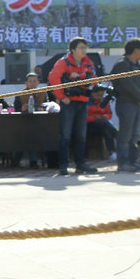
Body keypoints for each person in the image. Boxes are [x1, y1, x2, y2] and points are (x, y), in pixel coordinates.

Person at [48, 36, 98, 176]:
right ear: (73, 49)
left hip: (82, 101)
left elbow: (94, 79)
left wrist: (85, 81)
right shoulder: (63, 62)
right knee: (65, 135)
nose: (84, 51)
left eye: (85, 48)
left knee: (81, 135)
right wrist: (62, 97)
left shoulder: (88, 63)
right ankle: (63, 165)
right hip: (68, 102)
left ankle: (81, 164)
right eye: (81, 48)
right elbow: (53, 78)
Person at [110, 37, 140, 173]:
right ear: (136, 50)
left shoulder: (134, 65)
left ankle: (134, 161)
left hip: (135, 103)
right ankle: (123, 162)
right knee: (125, 135)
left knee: (134, 135)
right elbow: (128, 85)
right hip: (126, 103)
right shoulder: (122, 65)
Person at [86, 86, 118, 161]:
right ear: (93, 93)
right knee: (104, 123)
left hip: (102, 125)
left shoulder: (104, 101)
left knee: (106, 130)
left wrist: (104, 116)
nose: (100, 97)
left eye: (101, 95)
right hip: (89, 125)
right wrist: (95, 117)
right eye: (98, 95)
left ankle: (112, 153)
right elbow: (84, 117)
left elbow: (109, 114)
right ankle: (118, 136)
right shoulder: (87, 101)